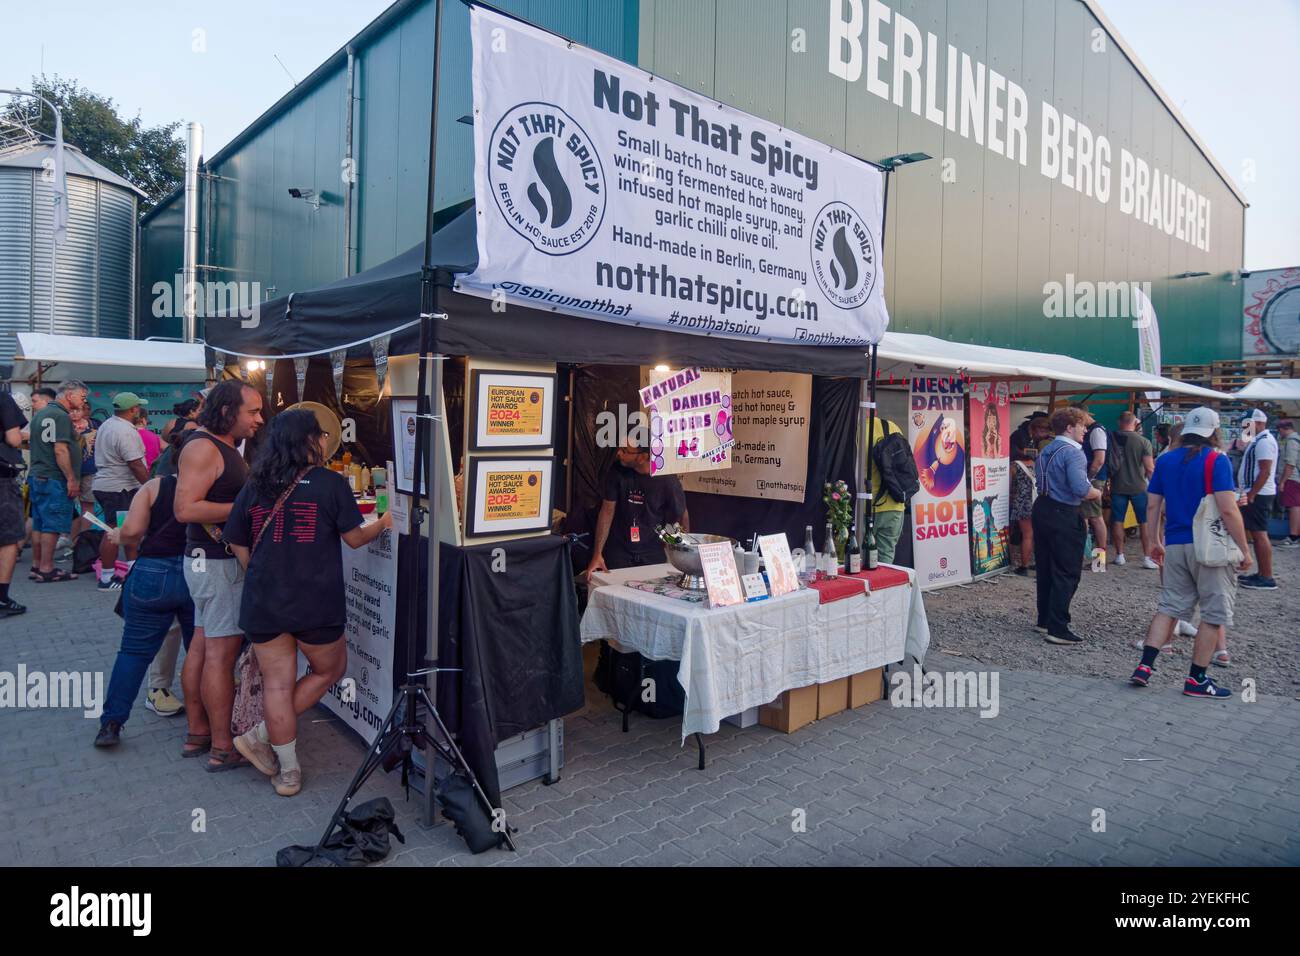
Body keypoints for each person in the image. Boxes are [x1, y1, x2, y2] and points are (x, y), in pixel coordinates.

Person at [225, 409, 391, 796]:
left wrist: (263, 572)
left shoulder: (256, 483)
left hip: (265, 600)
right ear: (309, 440)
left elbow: (235, 538)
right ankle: (260, 734)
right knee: (328, 670)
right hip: (315, 599)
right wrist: (383, 523)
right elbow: (353, 539)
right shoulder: (330, 483)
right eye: (319, 435)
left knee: (277, 687)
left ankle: (288, 772)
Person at [1128, 407, 1251, 698]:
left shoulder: (1166, 460)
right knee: (1212, 613)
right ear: (1215, 432)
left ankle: (1144, 667)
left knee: (1169, 607)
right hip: (1210, 547)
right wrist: (1245, 549)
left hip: (1175, 543)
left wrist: (1155, 541)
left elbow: (1153, 506)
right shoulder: (1216, 460)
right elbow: (1227, 508)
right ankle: (1197, 679)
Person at [174, 380, 264, 770]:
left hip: (206, 562)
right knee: (219, 656)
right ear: (228, 411)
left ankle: (198, 732)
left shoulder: (219, 446)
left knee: (202, 646)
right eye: (253, 412)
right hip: (215, 564)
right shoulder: (204, 447)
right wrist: (244, 507)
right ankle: (223, 745)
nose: (259, 419)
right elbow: (185, 509)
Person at [93, 474, 196, 746]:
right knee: (202, 652)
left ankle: (112, 723)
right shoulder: (214, 484)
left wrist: (119, 534)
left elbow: (133, 531)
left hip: (153, 571)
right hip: (197, 570)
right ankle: (203, 725)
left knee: (133, 653)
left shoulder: (155, 486)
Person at [1032, 407, 1102, 645]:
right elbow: (1081, 489)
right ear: (1070, 427)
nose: (1085, 430)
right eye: (1082, 426)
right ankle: (1058, 626)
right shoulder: (1074, 453)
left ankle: (1044, 619)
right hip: (1064, 511)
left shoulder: (1047, 448)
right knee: (1066, 571)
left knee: (1046, 568)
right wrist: (1097, 492)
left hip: (1042, 507)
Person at [586, 437, 689, 577]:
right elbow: (607, 511)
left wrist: (682, 556)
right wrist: (597, 554)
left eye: (625, 451)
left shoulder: (667, 479)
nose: (618, 453)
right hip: (618, 551)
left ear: (643, 457)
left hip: (652, 552)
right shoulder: (616, 471)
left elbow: (681, 515)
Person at [27, 381, 88, 583]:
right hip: (53, 477)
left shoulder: (40, 415)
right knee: (51, 526)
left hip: (38, 475)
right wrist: (71, 478)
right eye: (82, 396)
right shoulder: (60, 416)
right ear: (69, 395)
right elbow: (60, 449)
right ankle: (47, 568)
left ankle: (37, 565)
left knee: (39, 523)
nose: (83, 400)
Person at [92, 392, 151, 591]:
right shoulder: (124, 431)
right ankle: (107, 578)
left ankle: (131, 571)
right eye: (138, 407)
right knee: (114, 531)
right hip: (119, 488)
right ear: (134, 409)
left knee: (127, 529)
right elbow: (135, 464)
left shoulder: (108, 424)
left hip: (111, 486)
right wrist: (150, 487)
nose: (139, 410)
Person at [1108, 411, 1157, 569]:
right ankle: (1147, 558)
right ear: (1135, 423)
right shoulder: (1144, 442)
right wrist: (1157, 489)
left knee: (1117, 521)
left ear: (1119, 422)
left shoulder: (1111, 439)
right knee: (1144, 521)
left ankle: (1119, 555)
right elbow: (1149, 468)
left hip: (1117, 486)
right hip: (1139, 486)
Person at [1235, 408, 1277, 590]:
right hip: (1255, 492)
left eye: (1247, 424)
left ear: (1258, 423)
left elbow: (1265, 470)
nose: (1245, 428)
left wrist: (1252, 494)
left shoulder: (1264, 442)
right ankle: (1262, 573)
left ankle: (1266, 576)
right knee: (1256, 532)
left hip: (1259, 494)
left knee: (1259, 534)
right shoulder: (1258, 440)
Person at [1009, 411, 1050, 576]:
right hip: (1039, 500)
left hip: (1023, 501)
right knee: (1036, 535)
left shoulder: (1016, 465)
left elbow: (1011, 486)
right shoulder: (1039, 464)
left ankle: (1023, 566)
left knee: (1026, 535)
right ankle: (1038, 564)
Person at [0, 389, 29, 616]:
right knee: (8, 539)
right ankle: (1, 598)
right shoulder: (3, 399)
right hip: (2, 478)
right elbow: (13, 438)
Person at [867, 417, 907, 564]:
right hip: (894, 504)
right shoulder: (891, 426)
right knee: (885, 561)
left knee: (859, 561)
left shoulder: (855, 430)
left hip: (865, 509)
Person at [1073, 404, 1109, 560]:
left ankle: (1099, 561)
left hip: (1093, 480)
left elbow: (1099, 460)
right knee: (1088, 517)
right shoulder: (1095, 430)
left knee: (1095, 518)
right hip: (1092, 479)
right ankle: (1086, 556)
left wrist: (1087, 479)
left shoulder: (1096, 431)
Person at [1275, 419, 1299, 549]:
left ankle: (1293, 537)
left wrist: (1282, 481)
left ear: (1283, 429)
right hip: (1295, 478)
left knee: (1294, 506)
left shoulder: (1291, 442)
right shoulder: (1297, 439)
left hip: (1292, 478)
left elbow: (1290, 463)